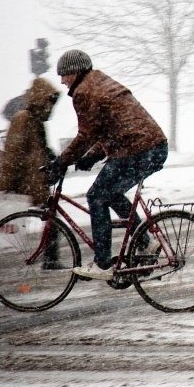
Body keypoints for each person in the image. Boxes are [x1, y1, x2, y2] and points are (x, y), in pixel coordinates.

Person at [44, 50, 168, 281]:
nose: (62, 81)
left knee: (96, 196)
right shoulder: (99, 82)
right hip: (152, 147)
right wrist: (90, 156)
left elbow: (86, 135)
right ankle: (145, 243)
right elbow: (112, 128)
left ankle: (102, 263)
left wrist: (62, 161)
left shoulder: (84, 91)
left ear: (76, 72)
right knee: (109, 193)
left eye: (64, 75)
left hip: (136, 150)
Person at [0, 78, 60, 270]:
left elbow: (42, 149)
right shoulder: (23, 118)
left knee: (49, 217)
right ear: (41, 99)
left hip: (34, 180)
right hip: (23, 181)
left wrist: (57, 161)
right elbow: (12, 154)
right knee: (4, 218)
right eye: (49, 101)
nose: (51, 107)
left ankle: (51, 259)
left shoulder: (36, 121)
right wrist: (6, 186)